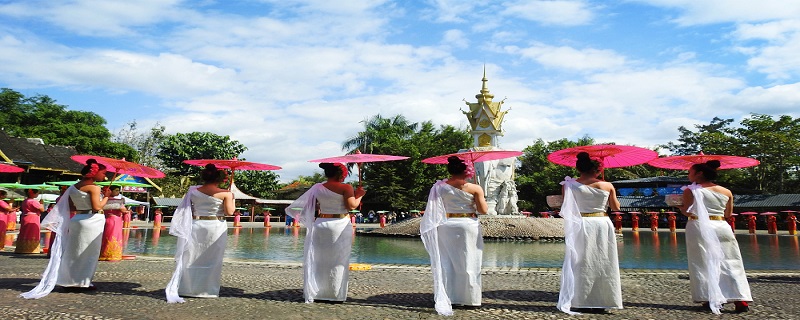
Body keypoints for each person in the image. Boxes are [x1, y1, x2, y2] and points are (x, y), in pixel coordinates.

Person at [21, 159, 111, 299]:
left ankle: (68, 280)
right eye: (103, 173)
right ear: (94, 173)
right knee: (88, 253)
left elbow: (71, 206)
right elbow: (97, 207)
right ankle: (82, 281)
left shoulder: (74, 187)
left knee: (73, 252)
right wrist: (106, 197)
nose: (105, 176)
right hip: (91, 220)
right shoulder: (94, 188)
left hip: (77, 219)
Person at [678, 160, 752, 314]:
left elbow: (688, 212)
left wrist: (679, 206)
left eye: (690, 171)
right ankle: (740, 298)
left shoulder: (691, 190)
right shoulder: (726, 191)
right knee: (731, 261)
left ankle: (709, 296)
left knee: (702, 261)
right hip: (722, 226)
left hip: (699, 226)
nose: (688, 174)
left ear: (699, 173)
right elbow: (728, 214)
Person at [287, 162, 365, 303]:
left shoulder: (317, 187)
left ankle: (317, 291)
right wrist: (359, 195)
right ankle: (334, 294)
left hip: (321, 223)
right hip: (339, 224)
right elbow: (351, 206)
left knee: (319, 259)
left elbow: (313, 205)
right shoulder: (346, 187)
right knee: (338, 260)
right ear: (341, 174)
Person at [420, 156, 488, 316]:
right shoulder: (474, 188)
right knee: (469, 260)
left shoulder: (439, 187)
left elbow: (434, 209)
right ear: (467, 170)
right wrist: (479, 193)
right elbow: (483, 210)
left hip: (446, 224)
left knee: (446, 260)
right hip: (467, 224)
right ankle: (470, 299)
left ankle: (449, 296)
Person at [557, 152, 623, 314]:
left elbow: (566, 208)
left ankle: (580, 300)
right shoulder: (607, 186)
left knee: (580, 261)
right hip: (601, 223)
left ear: (579, 168)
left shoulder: (569, 185)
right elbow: (616, 208)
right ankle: (603, 300)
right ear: (598, 170)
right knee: (603, 261)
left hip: (581, 224)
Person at [165, 164, 234, 303]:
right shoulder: (226, 193)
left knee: (190, 256)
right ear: (220, 179)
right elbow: (229, 212)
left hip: (196, 225)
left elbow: (186, 209)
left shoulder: (193, 191)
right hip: (215, 226)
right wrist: (231, 197)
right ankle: (207, 290)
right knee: (213, 259)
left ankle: (187, 288)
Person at [99, 185, 129, 261]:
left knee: (107, 236)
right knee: (115, 236)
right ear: (111, 191)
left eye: (118, 190)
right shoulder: (117, 201)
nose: (118, 192)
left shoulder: (104, 200)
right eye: (116, 190)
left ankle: (104, 253)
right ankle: (113, 254)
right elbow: (123, 210)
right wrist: (127, 211)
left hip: (107, 219)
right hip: (115, 220)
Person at [16, 189, 45, 253]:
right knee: (32, 232)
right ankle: (31, 248)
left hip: (26, 217)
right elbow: (42, 209)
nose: (38, 194)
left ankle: (22, 248)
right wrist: (42, 204)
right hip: (33, 218)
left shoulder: (25, 201)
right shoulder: (33, 201)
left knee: (25, 232)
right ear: (33, 193)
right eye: (37, 193)